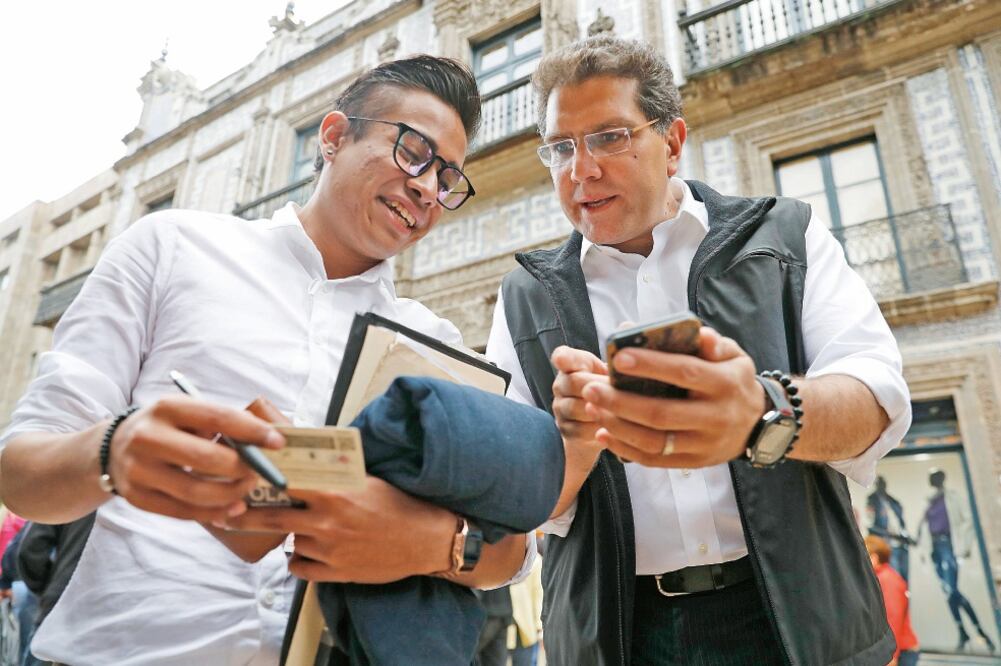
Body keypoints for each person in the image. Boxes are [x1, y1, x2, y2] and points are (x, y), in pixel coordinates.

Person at [0, 55, 531, 665]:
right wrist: (113, 451)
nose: (427, 187)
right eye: (413, 151)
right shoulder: (169, 248)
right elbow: (21, 472)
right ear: (332, 137)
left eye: (447, 177)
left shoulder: (431, 344)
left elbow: (515, 551)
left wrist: (434, 543)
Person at [486, 35, 913, 665]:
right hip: (621, 637)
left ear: (674, 142)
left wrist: (764, 414)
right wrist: (571, 449)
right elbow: (513, 504)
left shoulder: (784, 234)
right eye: (561, 148)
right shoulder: (524, 296)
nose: (581, 170)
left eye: (609, 137)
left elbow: (878, 401)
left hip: (799, 623)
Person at [916, 469, 995, 653]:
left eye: (936, 478)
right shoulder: (928, 502)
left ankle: (977, 632)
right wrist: (922, 550)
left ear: (942, 479)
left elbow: (968, 521)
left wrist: (964, 547)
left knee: (952, 591)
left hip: (948, 546)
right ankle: (967, 633)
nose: (934, 481)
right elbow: (923, 528)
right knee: (948, 593)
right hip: (934, 550)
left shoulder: (952, 497)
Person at [865, 535, 919, 666]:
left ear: (874, 558)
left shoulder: (886, 579)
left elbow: (893, 618)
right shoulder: (883, 577)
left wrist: (891, 656)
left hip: (901, 653)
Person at [867, 475, 912, 581]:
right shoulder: (872, 500)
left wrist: (905, 536)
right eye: (879, 484)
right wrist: (889, 535)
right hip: (887, 544)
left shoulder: (893, 500)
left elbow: (901, 521)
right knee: (894, 577)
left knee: (904, 579)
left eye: (883, 483)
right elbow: (870, 525)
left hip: (901, 544)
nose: (882, 486)